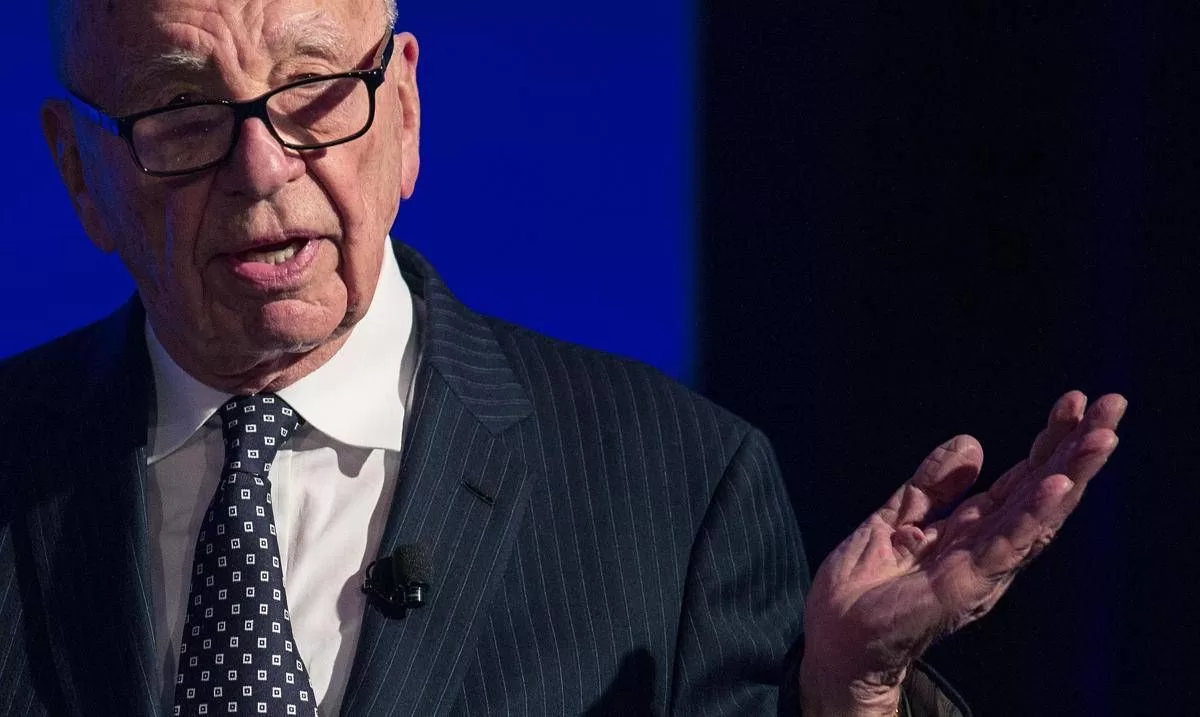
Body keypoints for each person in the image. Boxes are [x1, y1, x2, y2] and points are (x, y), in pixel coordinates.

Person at [0, 0, 1125, 714]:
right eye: (182, 113)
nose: (262, 168)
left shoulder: (678, 485)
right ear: (78, 171)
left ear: (404, 110)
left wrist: (851, 694)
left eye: (313, 92)